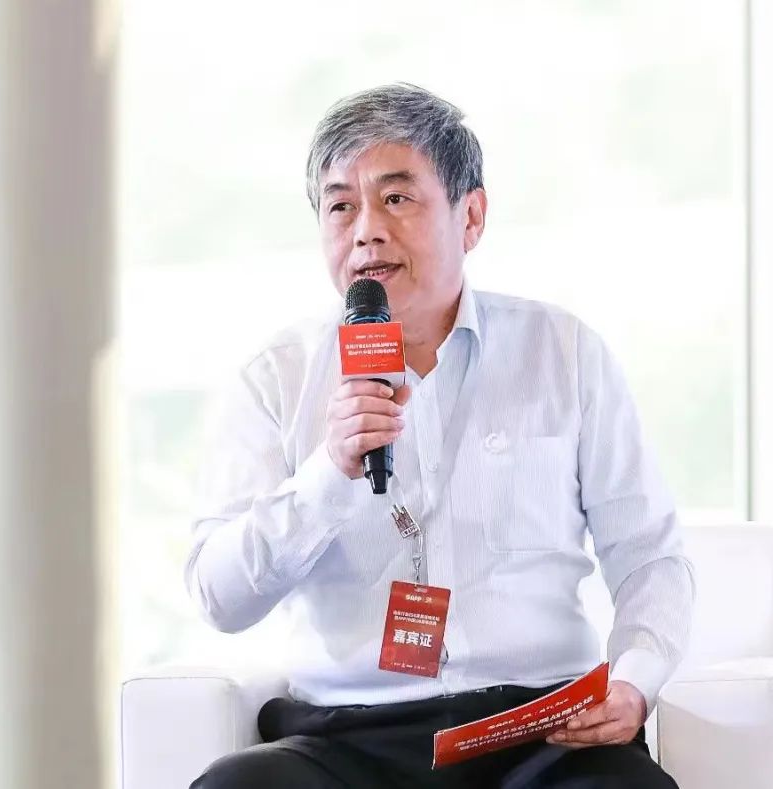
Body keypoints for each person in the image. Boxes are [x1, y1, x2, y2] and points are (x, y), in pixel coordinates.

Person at [185, 83, 694, 788]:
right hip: (349, 740)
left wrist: (634, 681)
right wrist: (328, 472)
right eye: (341, 206)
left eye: (396, 197)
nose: (366, 231)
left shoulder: (563, 352)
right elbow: (219, 597)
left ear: (471, 215)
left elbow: (649, 555)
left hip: (539, 730)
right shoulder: (277, 377)